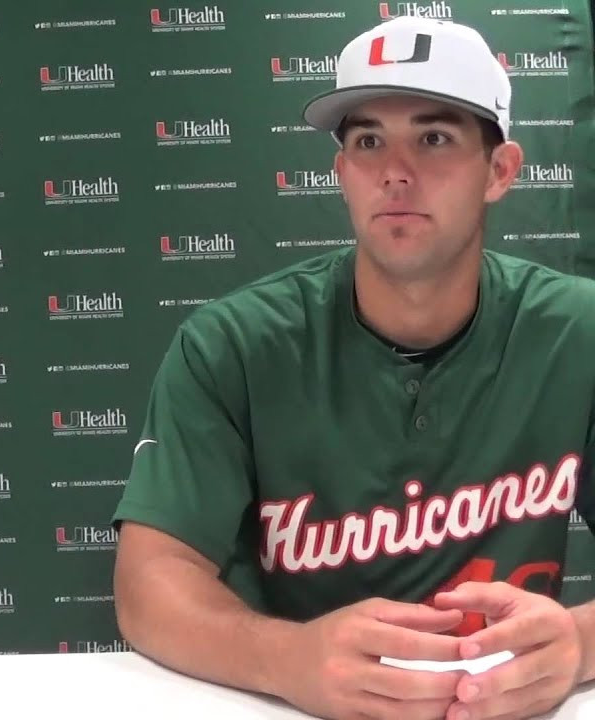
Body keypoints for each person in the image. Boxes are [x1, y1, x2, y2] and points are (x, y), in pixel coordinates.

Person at [112, 17, 595, 720]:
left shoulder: (577, 333)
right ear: (341, 173)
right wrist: (285, 658)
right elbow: (149, 583)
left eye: (434, 138)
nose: (395, 171)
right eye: (368, 140)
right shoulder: (233, 344)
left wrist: (580, 642)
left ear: (500, 171)